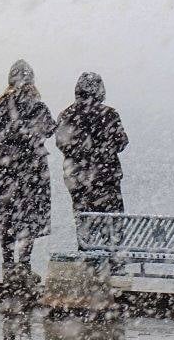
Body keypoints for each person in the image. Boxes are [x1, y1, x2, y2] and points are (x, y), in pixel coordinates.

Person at [0, 60, 56, 285]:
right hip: (31, 172)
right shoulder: (38, 107)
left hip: (3, 170)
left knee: (6, 217)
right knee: (29, 218)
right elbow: (48, 129)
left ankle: (8, 267)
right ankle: (24, 267)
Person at [55, 72, 128, 230]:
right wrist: (103, 150)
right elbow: (121, 142)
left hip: (78, 180)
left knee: (85, 227)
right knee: (112, 227)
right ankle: (111, 244)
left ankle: (88, 244)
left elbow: (61, 144)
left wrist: (81, 154)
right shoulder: (109, 114)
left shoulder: (66, 115)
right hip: (107, 180)